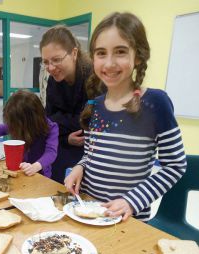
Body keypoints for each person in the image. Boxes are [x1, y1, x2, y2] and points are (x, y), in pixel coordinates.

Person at [64, 12, 187, 222]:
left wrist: (132, 200)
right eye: (101, 53)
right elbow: (90, 155)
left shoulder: (155, 103)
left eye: (120, 52)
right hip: (89, 210)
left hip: (128, 220)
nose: (109, 63)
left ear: (137, 56)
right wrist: (79, 166)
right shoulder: (94, 105)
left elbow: (175, 165)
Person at [40, 25, 103, 183]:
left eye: (56, 60)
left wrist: (61, 118)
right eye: (46, 62)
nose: (51, 68)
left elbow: (90, 123)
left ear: (74, 53)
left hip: (89, 153)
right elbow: (48, 120)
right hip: (63, 143)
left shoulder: (94, 78)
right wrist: (66, 137)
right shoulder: (54, 81)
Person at [0, 90, 58, 178]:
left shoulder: (51, 128)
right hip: (20, 171)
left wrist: (35, 166)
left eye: (16, 124)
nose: (13, 127)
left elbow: (51, 153)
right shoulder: (16, 124)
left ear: (29, 121)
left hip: (41, 175)